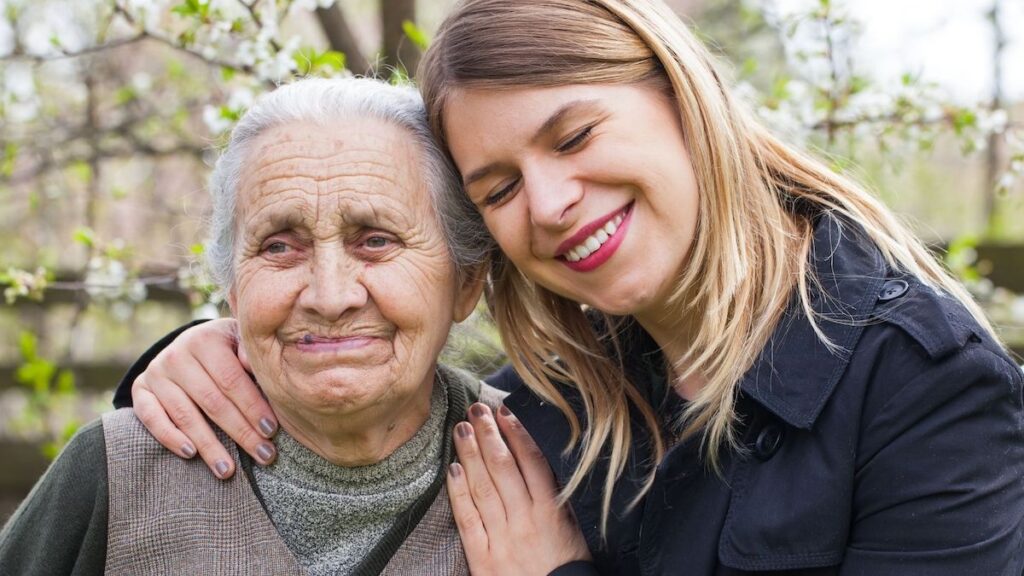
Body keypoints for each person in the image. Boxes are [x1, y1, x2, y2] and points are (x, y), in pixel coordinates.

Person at [109, 0, 1024, 574]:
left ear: (680, 94)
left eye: (575, 136)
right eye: (497, 188)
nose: (546, 204)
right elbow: (369, 395)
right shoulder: (543, 407)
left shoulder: (922, 389)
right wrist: (202, 357)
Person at [0, 77, 577, 576]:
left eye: (376, 240)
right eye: (279, 246)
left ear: (467, 280)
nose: (329, 296)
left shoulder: (556, 468)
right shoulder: (116, 471)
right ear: (231, 287)